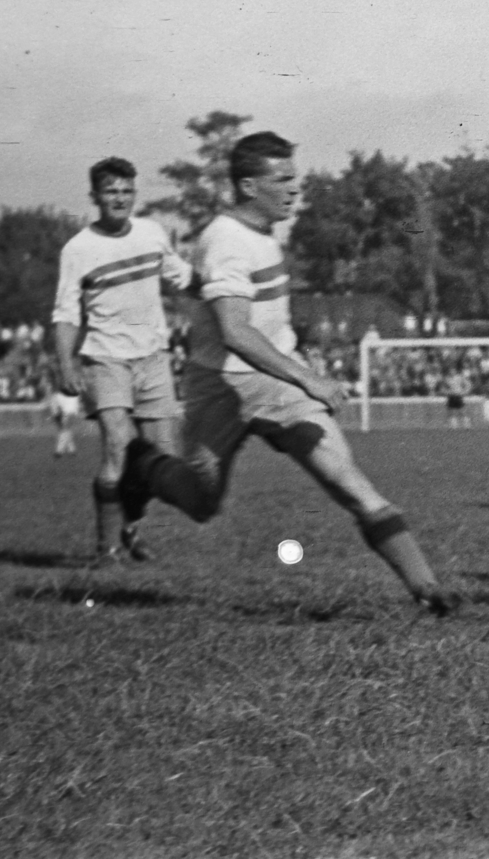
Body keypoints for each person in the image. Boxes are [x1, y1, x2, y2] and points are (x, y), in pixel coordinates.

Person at [115, 131, 461, 617]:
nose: (296, 189)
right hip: (220, 384)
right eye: (284, 180)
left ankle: (429, 590)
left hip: (275, 383)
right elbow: (235, 332)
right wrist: (308, 378)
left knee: (347, 480)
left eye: (295, 178)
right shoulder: (226, 241)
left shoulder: (261, 233)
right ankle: (143, 465)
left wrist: (295, 379)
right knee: (201, 502)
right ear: (250, 186)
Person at [52, 157, 193, 564]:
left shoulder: (151, 233)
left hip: (153, 357)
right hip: (105, 359)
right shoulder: (78, 249)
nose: (119, 198)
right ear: (95, 196)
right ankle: (106, 548)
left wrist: (219, 286)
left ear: (135, 194)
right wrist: (66, 365)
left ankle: (128, 525)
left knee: (162, 459)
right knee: (118, 447)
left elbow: (178, 272)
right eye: (110, 191)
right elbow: (65, 314)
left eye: (126, 191)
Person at [46, 384, 81, 458]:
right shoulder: (69, 395)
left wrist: (56, 415)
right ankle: (71, 450)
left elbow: (55, 406)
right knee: (66, 431)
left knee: (64, 431)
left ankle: (59, 451)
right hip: (65, 413)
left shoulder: (58, 395)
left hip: (64, 413)